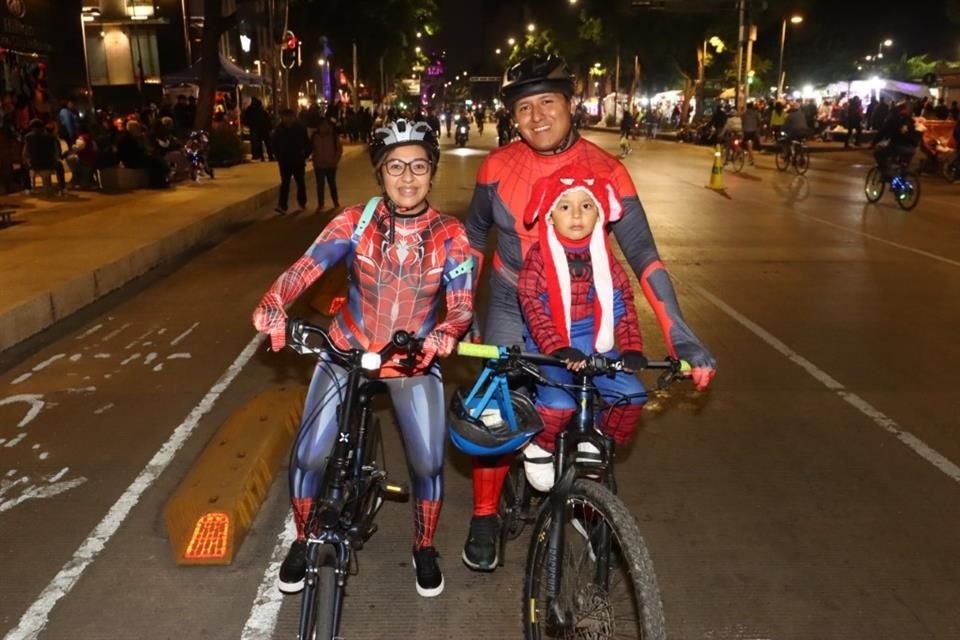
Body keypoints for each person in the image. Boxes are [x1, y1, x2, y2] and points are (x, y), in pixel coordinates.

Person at [460, 53, 716, 571]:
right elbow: (471, 242)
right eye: (524, 107)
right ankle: (485, 513)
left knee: (600, 402)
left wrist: (681, 337)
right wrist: (460, 310)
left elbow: (645, 257)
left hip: (583, 304)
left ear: (570, 105)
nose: (535, 117)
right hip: (514, 297)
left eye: (547, 103)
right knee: (499, 403)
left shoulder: (608, 169)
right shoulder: (496, 167)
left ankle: (586, 497)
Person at [252, 119, 474, 597]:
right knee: (309, 455)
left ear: (432, 171)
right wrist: (274, 301)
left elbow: (461, 305)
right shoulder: (353, 220)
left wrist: (449, 332)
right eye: (395, 166)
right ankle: (306, 536)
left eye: (418, 165)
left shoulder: (452, 233)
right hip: (345, 351)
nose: (408, 177)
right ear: (380, 172)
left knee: (429, 463)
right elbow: (306, 267)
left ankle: (424, 546)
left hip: (412, 359)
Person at [518, 165, 649, 491]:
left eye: (586, 206)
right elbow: (532, 304)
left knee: (631, 396)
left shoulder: (605, 258)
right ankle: (540, 447)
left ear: (599, 213)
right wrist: (555, 348)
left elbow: (621, 304)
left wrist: (632, 347)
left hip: (594, 342)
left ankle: (599, 440)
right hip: (548, 342)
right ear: (550, 215)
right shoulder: (538, 257)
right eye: (565, 206)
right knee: (559, 407)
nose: (576, 214)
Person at [271, 108, 310, 214]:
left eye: (290, 117)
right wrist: (278, 156)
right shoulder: (279, 129)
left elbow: (307, 143)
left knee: (300, 182)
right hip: (285, 160)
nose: (288, 119)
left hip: (297, 159)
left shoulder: (300, 128)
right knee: (285, 183)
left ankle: (302, 201)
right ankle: (282, 205)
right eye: (285, 117)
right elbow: (274, 144)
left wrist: (305, 154)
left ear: (293, 117)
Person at [871, 101, 920, 179]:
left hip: (898, 146)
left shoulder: (893, 118)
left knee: (878, 152)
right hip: (911, 148)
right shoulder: (910, 120)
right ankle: (902, 184)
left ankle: (887, 173)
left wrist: (874, 143)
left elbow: (883, 131)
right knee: (903, 166)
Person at [310, 115, 343, 214]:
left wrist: (335, 161)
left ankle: (335, 202)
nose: (324, 127)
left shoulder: (333, 136)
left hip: (330, 165)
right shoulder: (315, 137)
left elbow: (339, 150)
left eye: (326, 125)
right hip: (319, 164)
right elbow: (312, 149)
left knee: (332, 184)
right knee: (320, 185)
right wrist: (314, 159)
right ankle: (320, 204)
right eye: (322, 125)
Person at [22, 118, 64, 194]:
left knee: (24, 167)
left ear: (32, 127)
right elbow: (56, 152)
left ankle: (27, 188)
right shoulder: (51, 137)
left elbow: (25, 152)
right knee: (60, 165)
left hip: (35, 164)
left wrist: (26, 161)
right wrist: (54, 159)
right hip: (50, 163)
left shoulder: (28, 137)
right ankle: (62, 187)